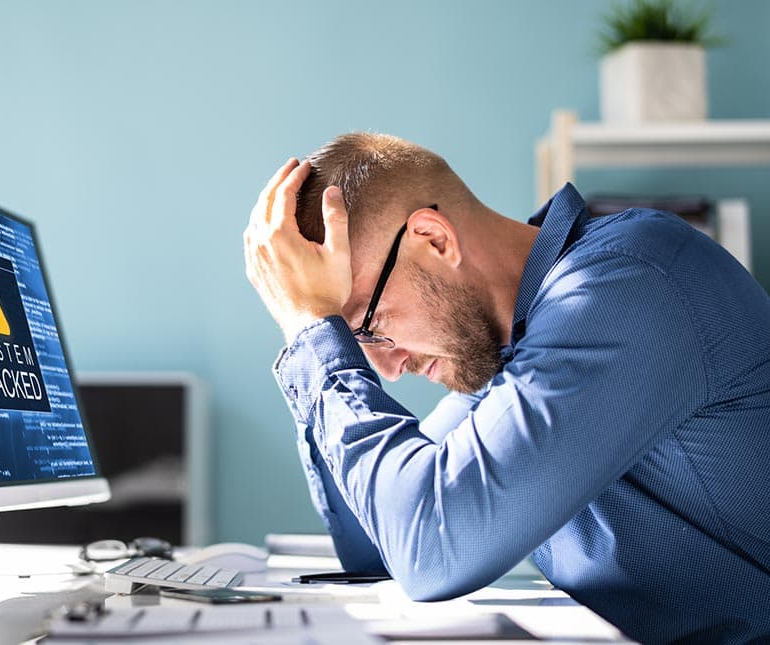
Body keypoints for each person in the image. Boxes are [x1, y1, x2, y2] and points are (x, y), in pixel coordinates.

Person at [243, 133, 770, 643]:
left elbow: (431, 549)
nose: (389, 369)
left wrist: (314, 334)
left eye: (372, 325)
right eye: (357, 342)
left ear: (434, 239)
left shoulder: (624, 284)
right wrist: (311, 331)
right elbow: (375, 544)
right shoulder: (513, 344)